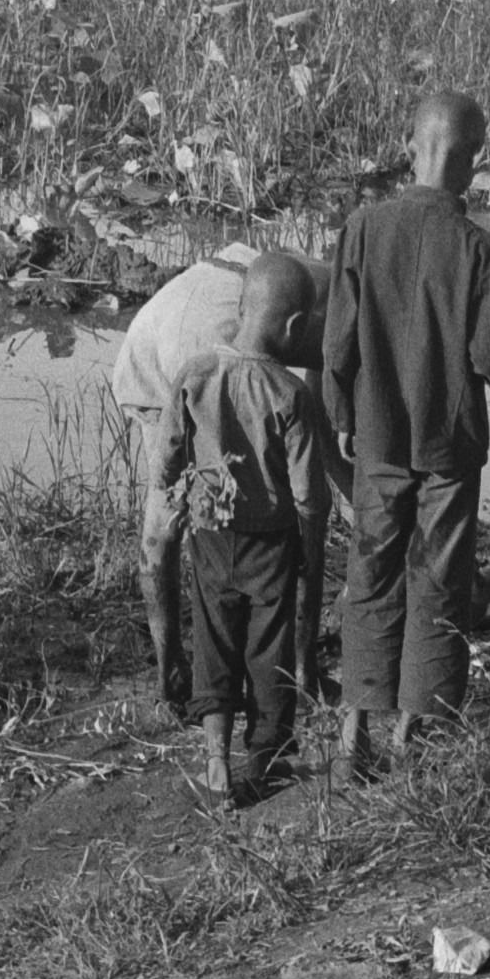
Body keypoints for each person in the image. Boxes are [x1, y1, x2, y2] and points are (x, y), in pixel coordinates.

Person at [323, 88, 490, 770]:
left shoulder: (362, 228)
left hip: (376, 430)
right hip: (448, 439)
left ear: (410, 146)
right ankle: (414, 729)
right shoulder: (478, 248)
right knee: (439, 571)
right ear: (472, 161)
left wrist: (342, 414)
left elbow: (338, 343)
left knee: (370, 564)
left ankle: (353, 727)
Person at [108, 244, 327, 710]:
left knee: (162, 513)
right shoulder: (351, 313)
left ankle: (171, 667)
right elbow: (319, 468)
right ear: (296, 325)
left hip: (162, 317)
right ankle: (291, 668)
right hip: (210, 326)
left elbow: (323, 423)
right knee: (242, 519)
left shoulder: (325, 280)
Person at [160, 255, 338, 803]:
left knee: (215, 640)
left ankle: (215, 756)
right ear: (294, 328)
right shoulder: (290, 394)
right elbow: (310, 494)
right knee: (269, 650)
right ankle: (266, 761)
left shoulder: (193, 374)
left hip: (210, 535)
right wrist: (311, 551)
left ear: (241, 308)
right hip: (271, 542)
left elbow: (168, 460)